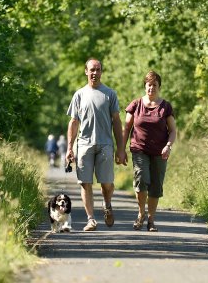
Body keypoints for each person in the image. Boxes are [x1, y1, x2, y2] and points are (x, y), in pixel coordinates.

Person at [65, 58, 127, 231]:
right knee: (85, 182)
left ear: (101, 72)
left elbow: (116, 121)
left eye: (98, 70)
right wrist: (70, 147)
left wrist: (121, 149)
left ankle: (107, 203)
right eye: (92, 70)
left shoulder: (110, 94)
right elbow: (73, 122)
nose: (95, 73)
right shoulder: (79, 95)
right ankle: (91, 219)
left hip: (106, 144)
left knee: (107, 183)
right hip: (84, 144)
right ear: (86, 71)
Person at [123, 70, 177, 232]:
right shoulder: (136, 104)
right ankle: (141, 214)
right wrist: (121, 149)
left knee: (156, 185)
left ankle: (151, 219)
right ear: (144, 86)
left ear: (159, 87)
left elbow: (173, 130)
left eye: (154, 85)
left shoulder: (165, 107)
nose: (151, 88)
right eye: (149, 85)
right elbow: (126, 128)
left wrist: (168, 146)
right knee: (141, 179)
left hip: (160, 152)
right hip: (139, 150)